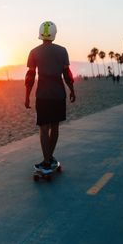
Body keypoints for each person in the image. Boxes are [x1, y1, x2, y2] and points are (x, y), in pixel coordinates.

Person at [24, 21, 76, 174]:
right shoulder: (62, 51)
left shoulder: (34, 52)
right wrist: (72, 90)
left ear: (40, 34)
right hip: (59, 95)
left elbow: (30, 77)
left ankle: (46, 162)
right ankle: (50, 158)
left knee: (43, 128)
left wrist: (27, 96)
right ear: (54, 34)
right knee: (55, 127)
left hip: (43, 96)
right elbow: (67, 74)